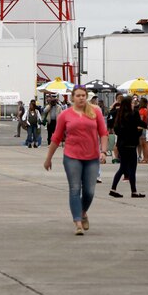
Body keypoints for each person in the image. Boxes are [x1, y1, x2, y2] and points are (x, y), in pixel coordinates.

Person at [43, 87, 108, 235]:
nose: (81, 98)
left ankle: (83, 211)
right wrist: (48, 158)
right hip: (72, 157)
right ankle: (78, 221)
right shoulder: (65, 115)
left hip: (92, 157)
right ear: (72, 98)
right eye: (78, 96)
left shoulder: (95, 112)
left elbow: (103, 133)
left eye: (83, 95)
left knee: (90, 191)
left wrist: (103, 151)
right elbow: (56, 137)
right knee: (74, 188)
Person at [109, 96, 148, 198]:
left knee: (122, 167)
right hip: (130, 144)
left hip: (122, 144)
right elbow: (138, 124)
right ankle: (133, 191)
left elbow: (116, 129)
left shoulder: (119, 115)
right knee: (132, 168)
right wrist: (142, 128)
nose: (133, 104)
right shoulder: (133, 113)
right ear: (128, 104)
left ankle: (113, 188)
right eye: (132, 102)